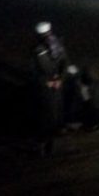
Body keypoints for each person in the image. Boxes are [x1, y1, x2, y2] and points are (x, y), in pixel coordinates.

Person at [32, 21, 67, 155]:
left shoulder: (37, 49)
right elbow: (65, 63)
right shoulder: (58, 45)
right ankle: (51, 144)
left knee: (43, 115)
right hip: (56, 85)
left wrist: (47, 82)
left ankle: (42, 145)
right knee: (55, 114)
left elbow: (34, 71)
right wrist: (60, 80)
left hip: (45, 87)